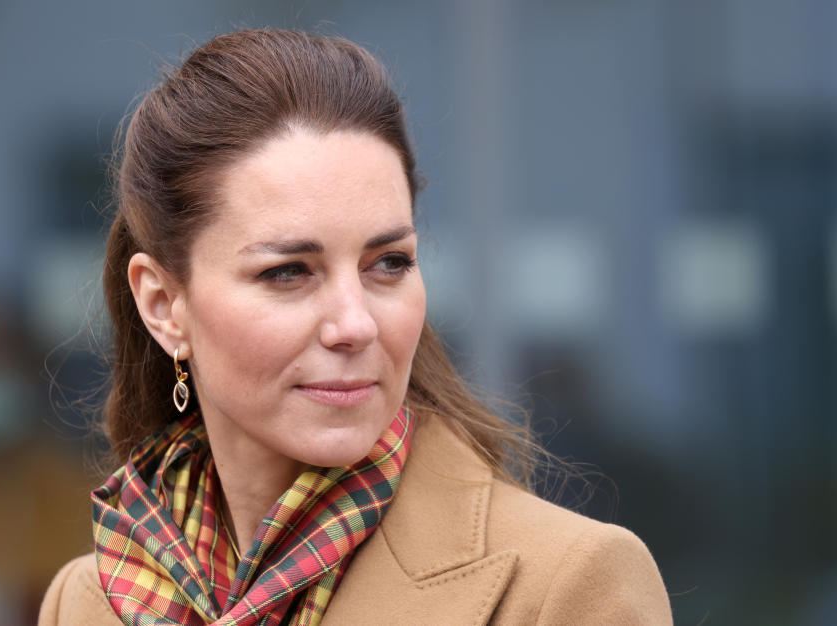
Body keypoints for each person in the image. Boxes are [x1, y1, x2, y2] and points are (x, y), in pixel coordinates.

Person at [38, 29, 672, 625]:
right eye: (289, 272)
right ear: (163, 304)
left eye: (389, 264)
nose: (355, 323)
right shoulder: (86, 600)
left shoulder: (566, 586)